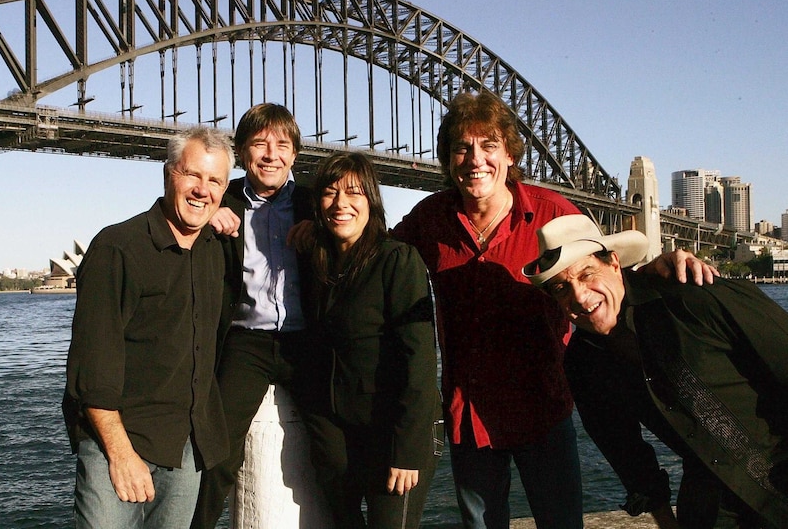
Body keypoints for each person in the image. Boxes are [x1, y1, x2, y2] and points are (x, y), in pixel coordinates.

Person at [390, 89, 716, 529]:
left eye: (488, 146)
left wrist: (663, 265)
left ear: (509, 155)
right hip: (471, 416)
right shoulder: (429, 220)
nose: (475, 159)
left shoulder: (552, 214)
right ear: (448, 160)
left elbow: (607, 274)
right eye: (461, 148)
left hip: (543, 408)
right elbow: (375, 262)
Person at [523, 214, 788, 529]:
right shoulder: (583, 365)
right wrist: (666, 521)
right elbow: (628, 455)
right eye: (561, 287)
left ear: (614, 263)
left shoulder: (695, 294)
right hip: (711, 509)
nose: (578, 296)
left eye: (587, 273)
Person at [62, 127, 235, 528]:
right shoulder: (117, 248)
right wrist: (121, 454)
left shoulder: (215, 248)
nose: (202, 190)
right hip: (118, 443)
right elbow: (93, 366)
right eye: (192, 174)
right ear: (168, 173)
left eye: (215, 181)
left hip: (185, 447)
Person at [300, 151, 443, 528]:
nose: (341, 204)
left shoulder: (398, 260)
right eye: (330, 193)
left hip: (394, 436)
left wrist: (408, 451)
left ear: (372, 202)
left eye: (354, 193)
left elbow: (420, 363)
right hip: (338, 442)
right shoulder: (318, 262)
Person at [191, 103, 316, 527]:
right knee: (218, 451)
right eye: (259, 144)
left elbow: (366, 227)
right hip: (246, 341)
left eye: (282, 145)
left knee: (336, 444)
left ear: (295, 155)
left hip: (306, 340)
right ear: (242, 153)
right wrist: (207, 213)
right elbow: (173, 205)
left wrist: (325, 228)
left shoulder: (316, 203)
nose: (271, 154)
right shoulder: (219, 199)